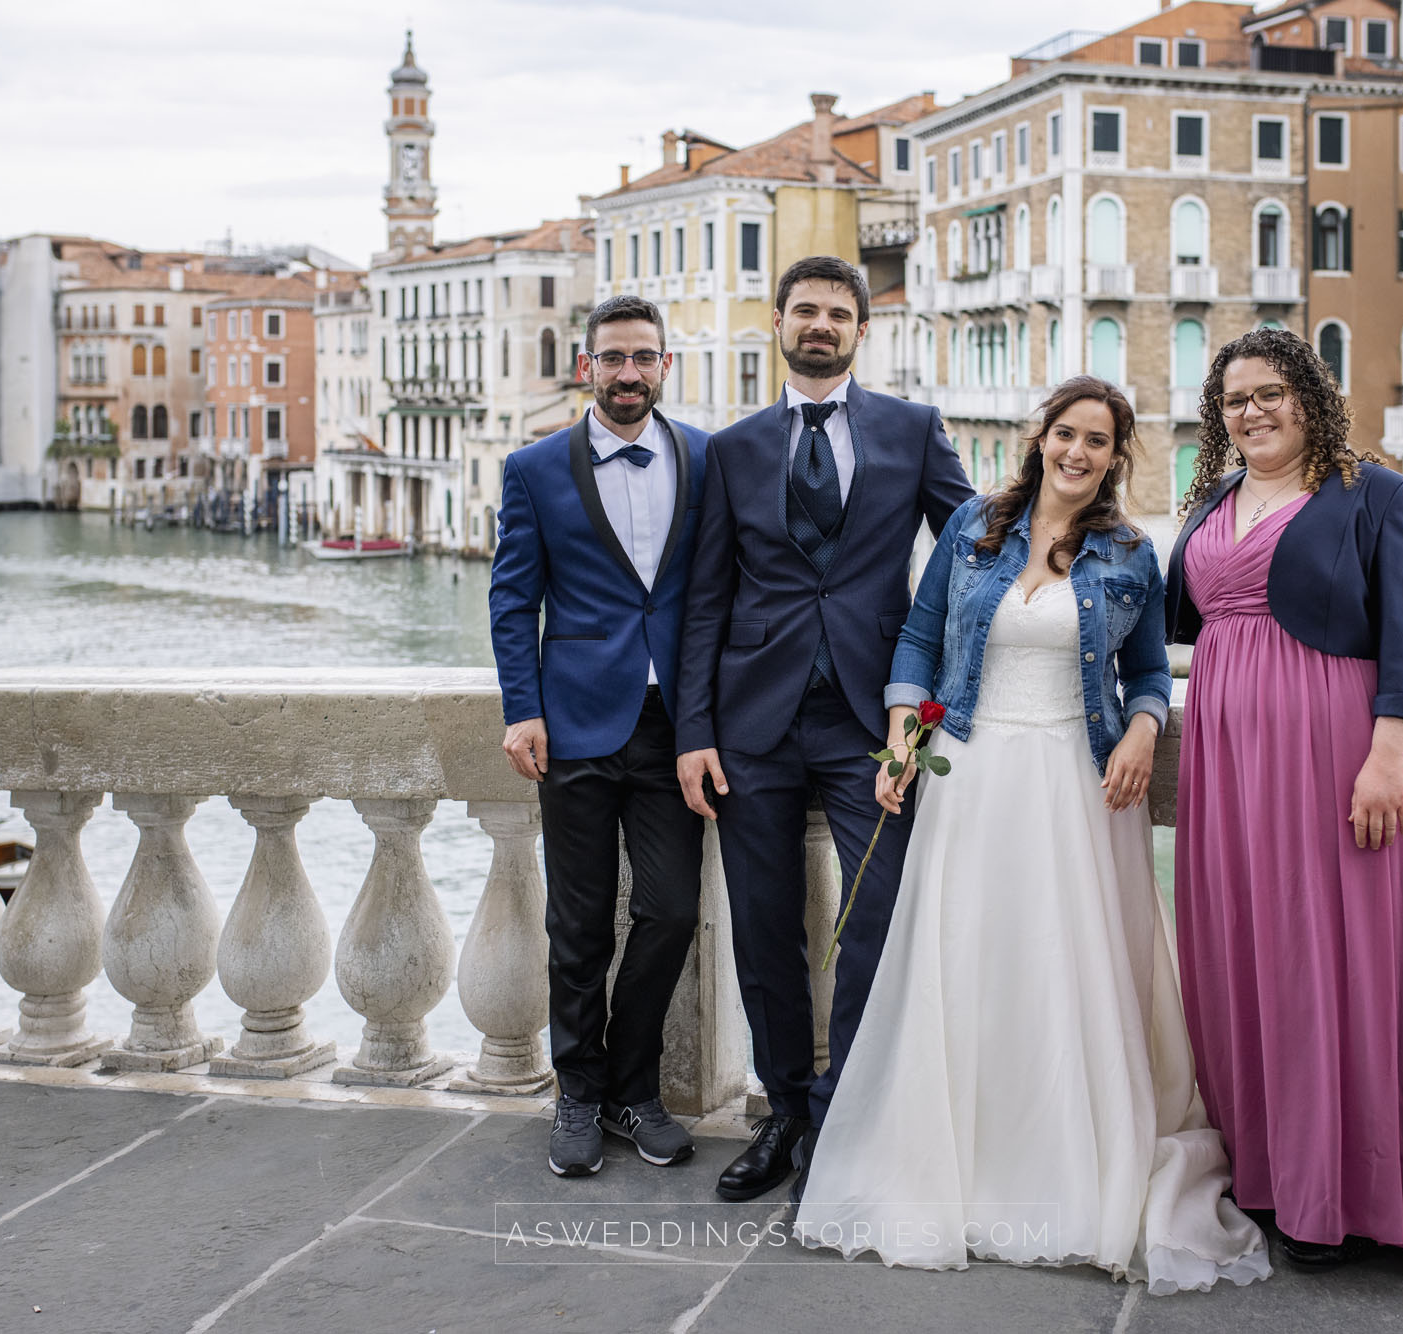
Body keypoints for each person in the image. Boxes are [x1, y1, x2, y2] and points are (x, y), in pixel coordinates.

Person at [793, 376, 1271, 1290]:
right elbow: (920, 638)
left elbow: (1147, 672)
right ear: (1040, 438)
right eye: (1067, 434)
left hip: (1074, 786)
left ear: (1115, 457)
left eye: (1099, 441)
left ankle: (1061, 1161)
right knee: (969, 959)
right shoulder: (973, 526)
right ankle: (952, 1165)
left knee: (1059, 964)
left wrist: (1144, 729)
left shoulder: (1131, 553)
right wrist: (903, 733)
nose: (1079, 453)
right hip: (970, 775)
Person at [1165, 326, 1403, 1266]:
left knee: (1342, 964)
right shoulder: (1212, 501)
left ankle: (1357, 1193)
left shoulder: (1378, 494)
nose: (1254, 411)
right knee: (1258, 961)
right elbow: (1169, 620)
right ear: (1220, 415)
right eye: (1237, 399)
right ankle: (1281, 1176)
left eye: (1272, 392)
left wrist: (1386, 757)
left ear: (1310, 395)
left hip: (1337, 756)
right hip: (1230, 765)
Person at [676, 255, 974, 1203]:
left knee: (876, 918)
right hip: (752, 720)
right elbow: (704, 599)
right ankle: (786, 1116)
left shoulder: (913, 430)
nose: (820, 325)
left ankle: (846, 1111)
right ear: (778, 323)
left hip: (871, 723)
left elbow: (971, 545)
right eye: (804, 310)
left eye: (837, 314)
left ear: (860, 330)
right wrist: (695, 731)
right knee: (764, 929)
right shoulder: (730, 449)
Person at [489, 295, 709, 1179]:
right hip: (574, 723)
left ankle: (633, 1084)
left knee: (670, 911)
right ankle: (579, 1093)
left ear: (664, 366)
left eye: (644, 358)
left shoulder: (703, 456)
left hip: (675, 731)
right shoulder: (535, 468)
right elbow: (513, 597)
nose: (629, 373)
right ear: (588, 366)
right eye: (613, 358)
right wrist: (521, 707)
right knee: (579, 925)